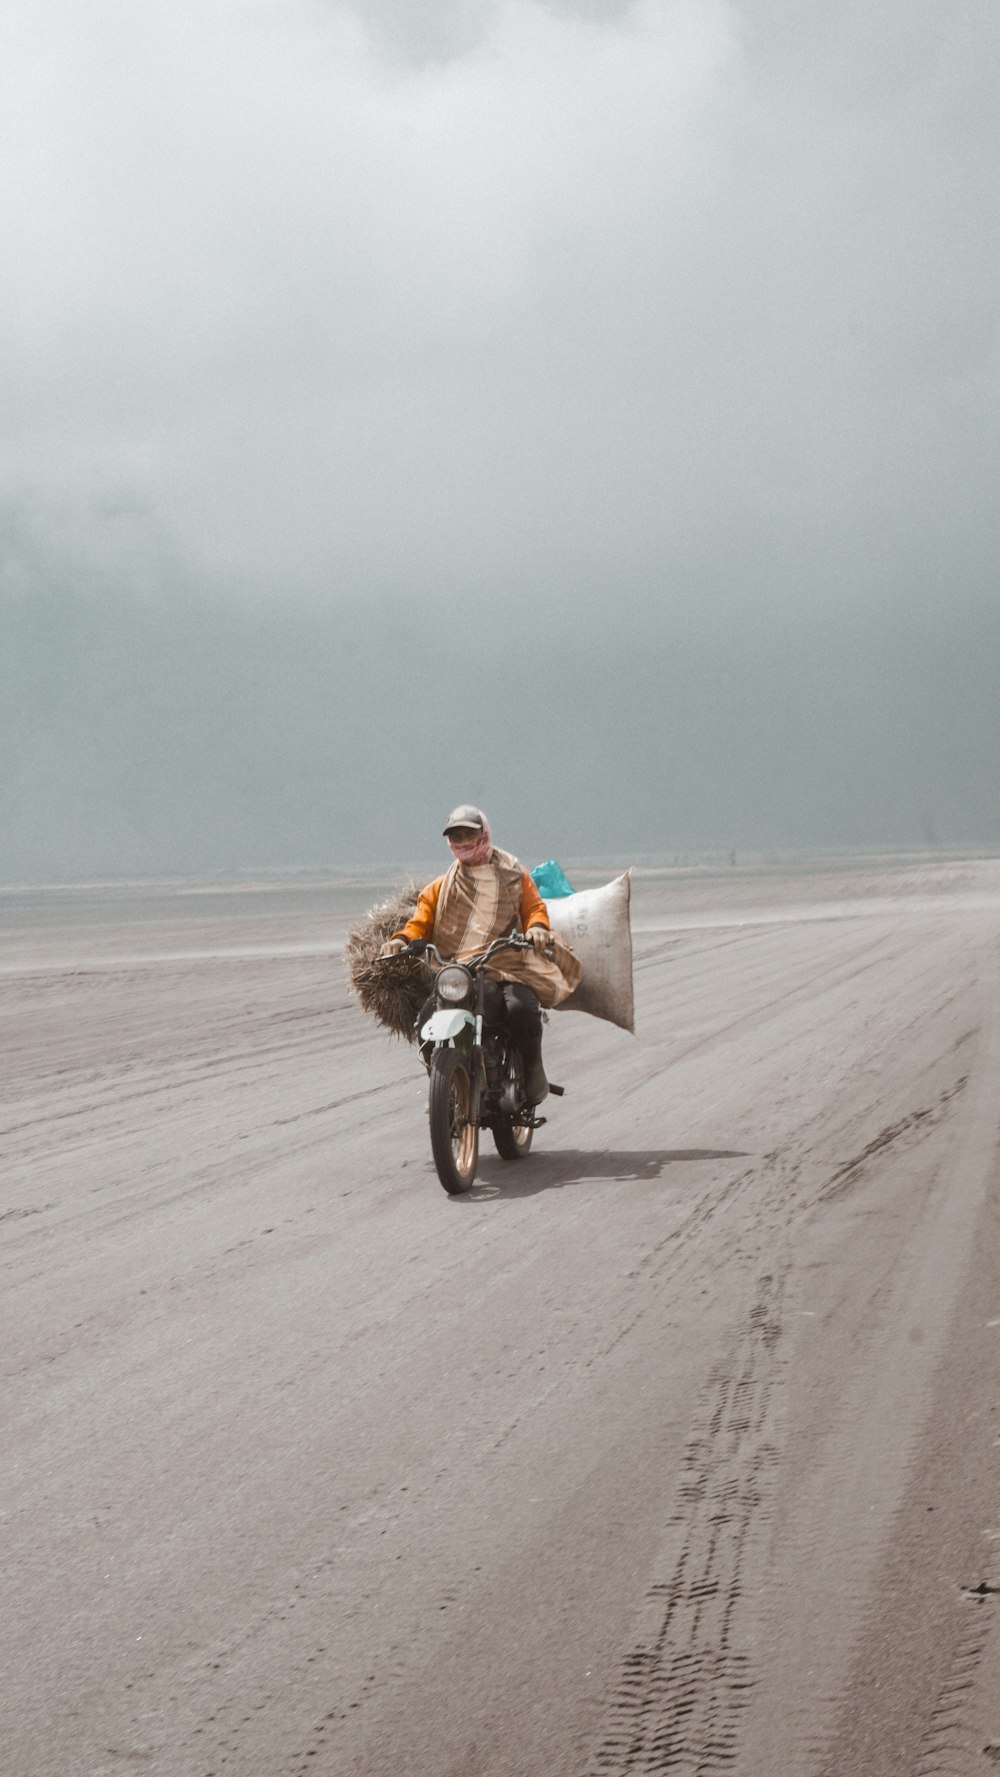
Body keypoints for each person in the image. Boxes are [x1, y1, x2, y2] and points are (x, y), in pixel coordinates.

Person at [379, 805, 579, 1103]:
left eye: (468, 833)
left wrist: (536, 928)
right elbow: (420, 922)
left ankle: (533, 1069)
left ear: (484, 834)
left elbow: (534, 908)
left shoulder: (514, 876)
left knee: (520, 1010)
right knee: (425, 1024)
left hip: (508, 963)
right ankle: (445, 1089)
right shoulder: (439, 888)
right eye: (455, 835)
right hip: (458, 970)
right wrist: (401, 939)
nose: (461, 841)